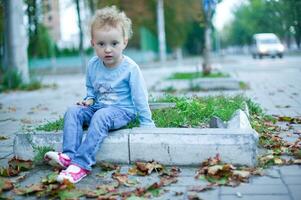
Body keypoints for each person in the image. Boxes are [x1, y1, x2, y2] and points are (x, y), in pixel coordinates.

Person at [44, 6, 155, 183]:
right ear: (93, 43)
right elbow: (91, 88)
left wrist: (147, 123)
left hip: (122, 110)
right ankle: (68, 156)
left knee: (102, 115)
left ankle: (81, 165)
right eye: (101, 44)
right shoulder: (93, 65)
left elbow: (140, 97)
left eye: (114, 43)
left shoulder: (130, 68)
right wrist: (89, 99)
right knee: (73, 111)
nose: (108, 49)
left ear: (124, 42)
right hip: (98, 107)